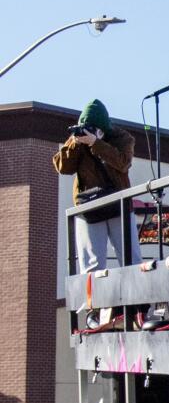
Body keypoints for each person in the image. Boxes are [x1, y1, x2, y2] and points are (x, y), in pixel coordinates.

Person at [52, 100, 135, 327]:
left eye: (92, 127)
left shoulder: (122, 138)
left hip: (117, 204)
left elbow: (123, 163)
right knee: (92, 265)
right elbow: (62, 167)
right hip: (89, 209)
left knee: (130, 259)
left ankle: (138, 305)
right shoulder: (77, 141)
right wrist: (77, 143)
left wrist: (96, 143)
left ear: (103, 127)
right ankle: (95, 310)